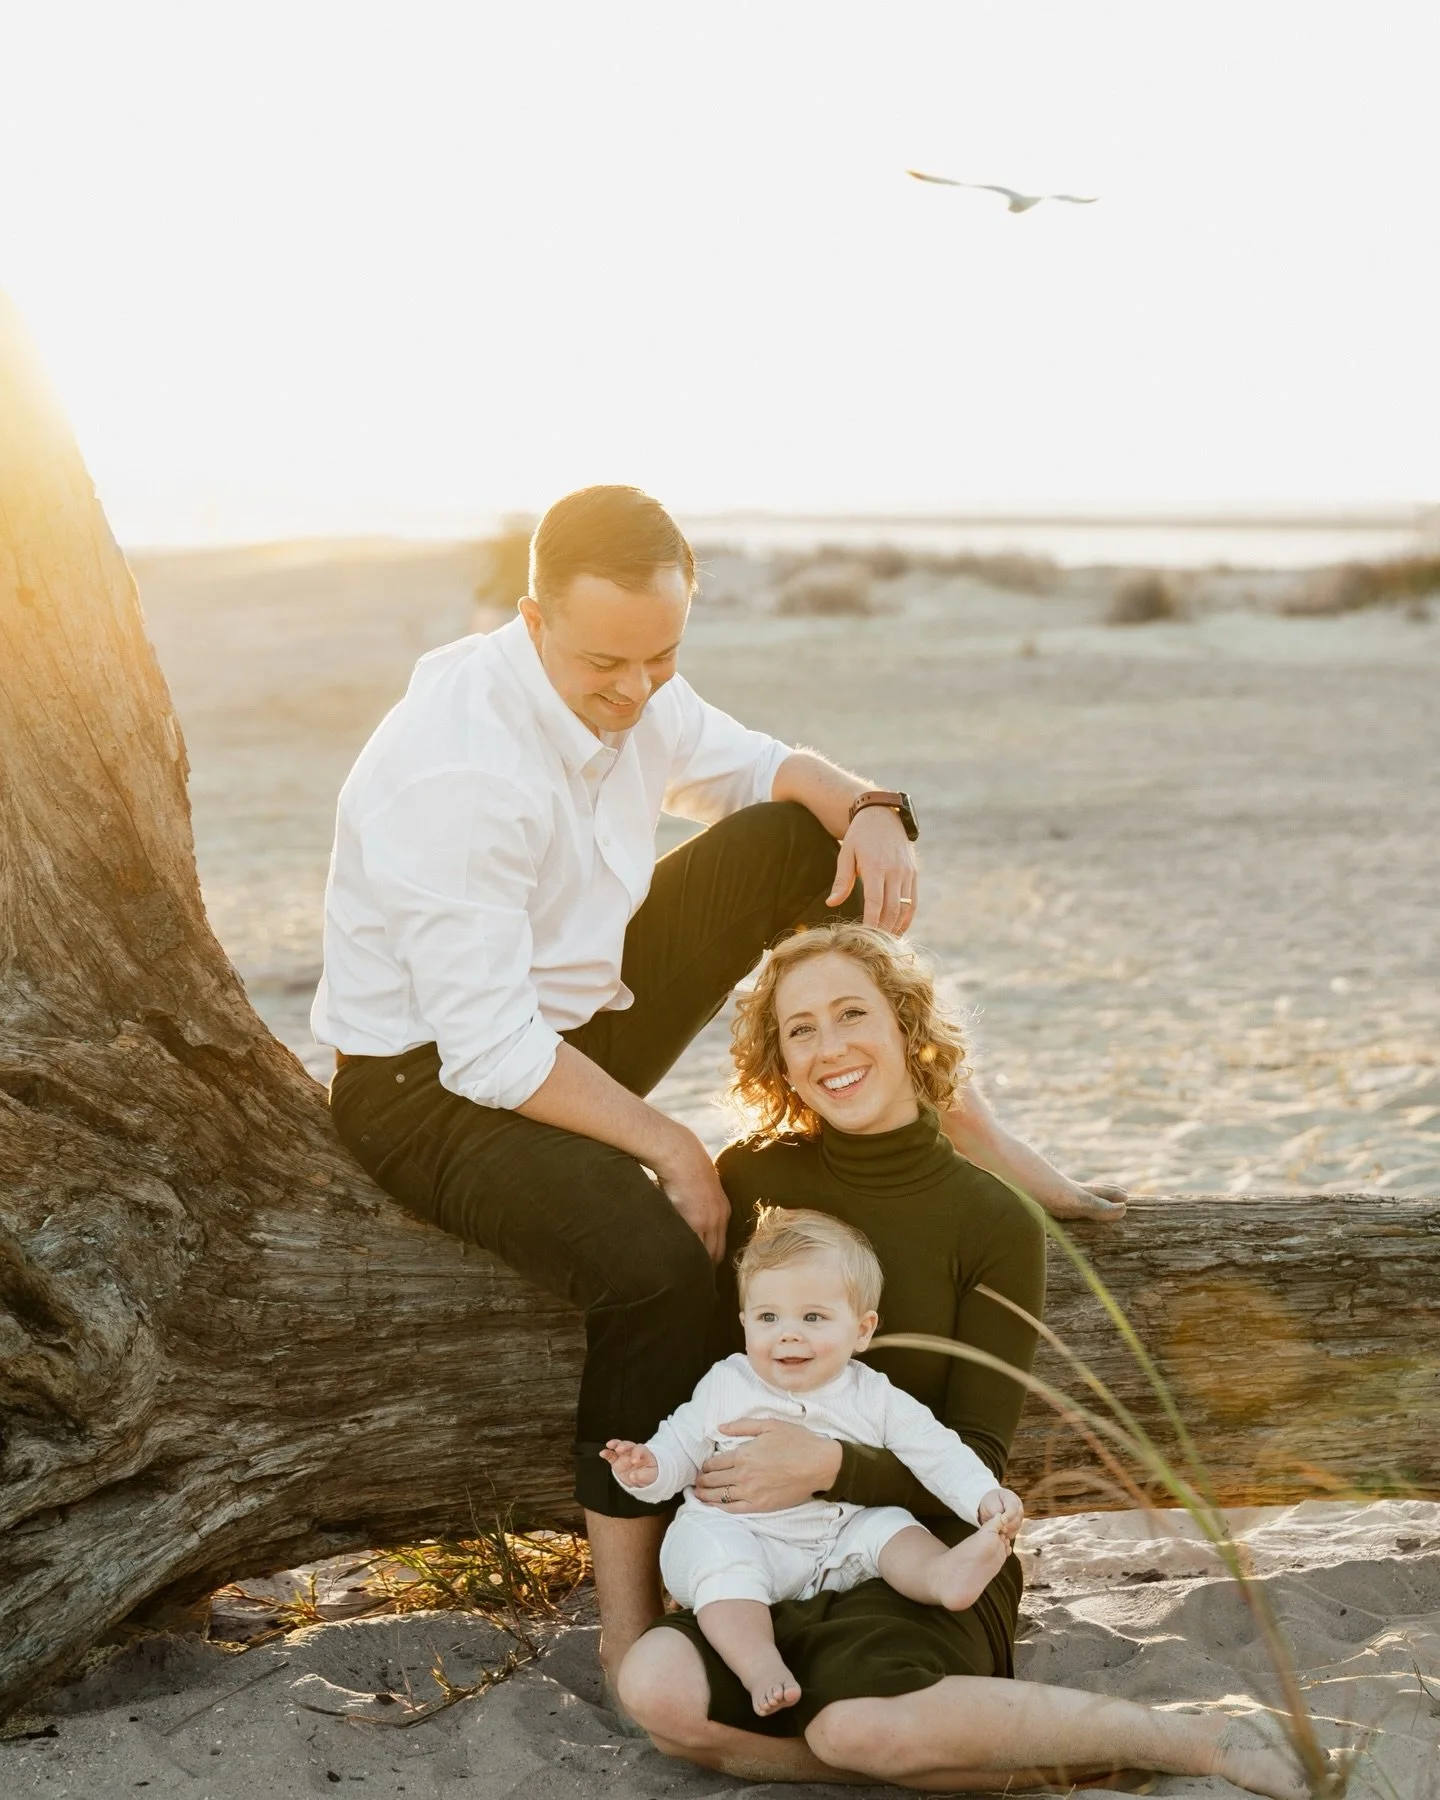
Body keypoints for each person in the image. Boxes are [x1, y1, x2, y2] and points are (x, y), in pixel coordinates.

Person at [315, 485, 1125, 1681]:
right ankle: (631, 1622)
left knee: (803, 837)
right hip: (431, 1084)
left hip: (577, 1022)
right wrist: (676, 1148)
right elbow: (489, 1054)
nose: (636, 689)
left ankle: (963, 1124)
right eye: (606, 663)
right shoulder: (457, 772)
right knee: (653, 1267)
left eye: (664, 656)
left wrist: (872, 808)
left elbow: (758, 767)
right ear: (531, 620)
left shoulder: (629, 672)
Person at [616, 923, 1309, 1799]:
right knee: (657, 1692)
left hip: (919, 1548)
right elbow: (721, 1378)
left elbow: (978, 1456)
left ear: (907, 1027)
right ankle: (915, 1758)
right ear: (779, 1061)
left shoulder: (993, 1221)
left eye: (851, 1013)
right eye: (800, 1029)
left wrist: (831, 1465)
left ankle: (1193, 1743)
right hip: (761, 1548)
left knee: (858, 1724)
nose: (830, 1047)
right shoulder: (754, 1180)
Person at [603, 1206, 1023, 1718]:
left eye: (813, 1317)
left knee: (889, 1526)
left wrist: (983, 1496)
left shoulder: (874, 1395)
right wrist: (650, 1468)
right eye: (768, 1318)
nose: (788, 1334)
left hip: (837, 1543)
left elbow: (937, 1451)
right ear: (744, 1324)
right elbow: (682, 1443)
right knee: (719, 1561)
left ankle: (942, 1577)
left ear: (862, 1330)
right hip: (743, 1533)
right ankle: (760, 1665)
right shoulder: (727, 1383)